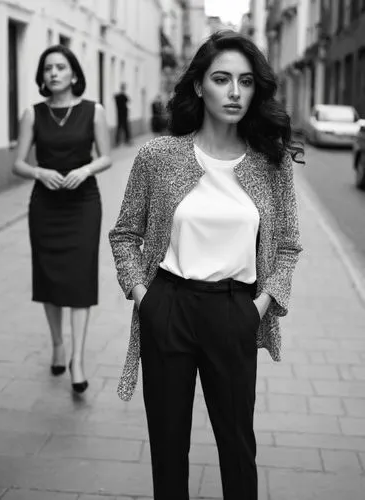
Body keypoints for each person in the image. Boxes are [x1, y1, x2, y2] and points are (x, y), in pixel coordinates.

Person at [109, 31, 304, 499]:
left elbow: (288, 246)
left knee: (238, 449)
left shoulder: (271, 162)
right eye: (222, 79)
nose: (235, 92)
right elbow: (124, 235)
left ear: (257, 89)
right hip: (168, 307)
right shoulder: (159, 156)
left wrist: (259, 307)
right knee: (168, 448)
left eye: (245, 81)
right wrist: (145, 298)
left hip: (235, 311)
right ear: (199, 86)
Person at [13, 45, 111, 394]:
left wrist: (84, 169)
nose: (54, 73)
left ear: (74, 74)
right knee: (49, 277)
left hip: (83, 203)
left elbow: (106, 158)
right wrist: (40, 172)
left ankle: (78, 360)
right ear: (42, 77)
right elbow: (18, 163)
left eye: (60, 67)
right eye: (48, 68)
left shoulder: (93, 110)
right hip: (46, 205)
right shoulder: (32, 113)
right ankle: (57, 345)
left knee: (80, 278)